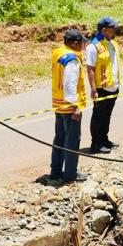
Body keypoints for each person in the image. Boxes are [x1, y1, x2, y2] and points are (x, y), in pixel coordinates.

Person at [48, 28, 88, 184]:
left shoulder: (59, 54)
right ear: (75, 43)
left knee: (59, 139)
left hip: (59, 105)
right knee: (72, 141)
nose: (83, 46)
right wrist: (77, 106)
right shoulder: (71, 59)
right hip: (70, 107)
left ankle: (55, 172)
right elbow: (70, 84)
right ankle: (70, 174)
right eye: (82, 43)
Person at [85, 16, 122, 153]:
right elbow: (90, 69)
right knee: (98, 116)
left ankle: (104, 139)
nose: (115, 30)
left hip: (113, 86)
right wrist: (94, 89)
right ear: (105, 30)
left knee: (107, 115)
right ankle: (95, 144)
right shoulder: (93, 46)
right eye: (113, 28)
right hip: (101, 88)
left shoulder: (112, 43)